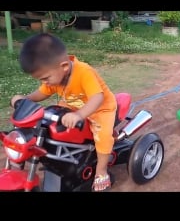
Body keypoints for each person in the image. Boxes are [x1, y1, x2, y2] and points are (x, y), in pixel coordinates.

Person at [10, 33, 117, 192]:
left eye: (45, 78)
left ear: (65, 66)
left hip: (100, 108)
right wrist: (25, 99)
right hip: (72, 108)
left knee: (103, 137)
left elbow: (97, 97)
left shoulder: (83, 72)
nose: (45, 82)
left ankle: (101, 171)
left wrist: (79, 115)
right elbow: (42, 93)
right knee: (47, 127)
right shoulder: (56, 75)